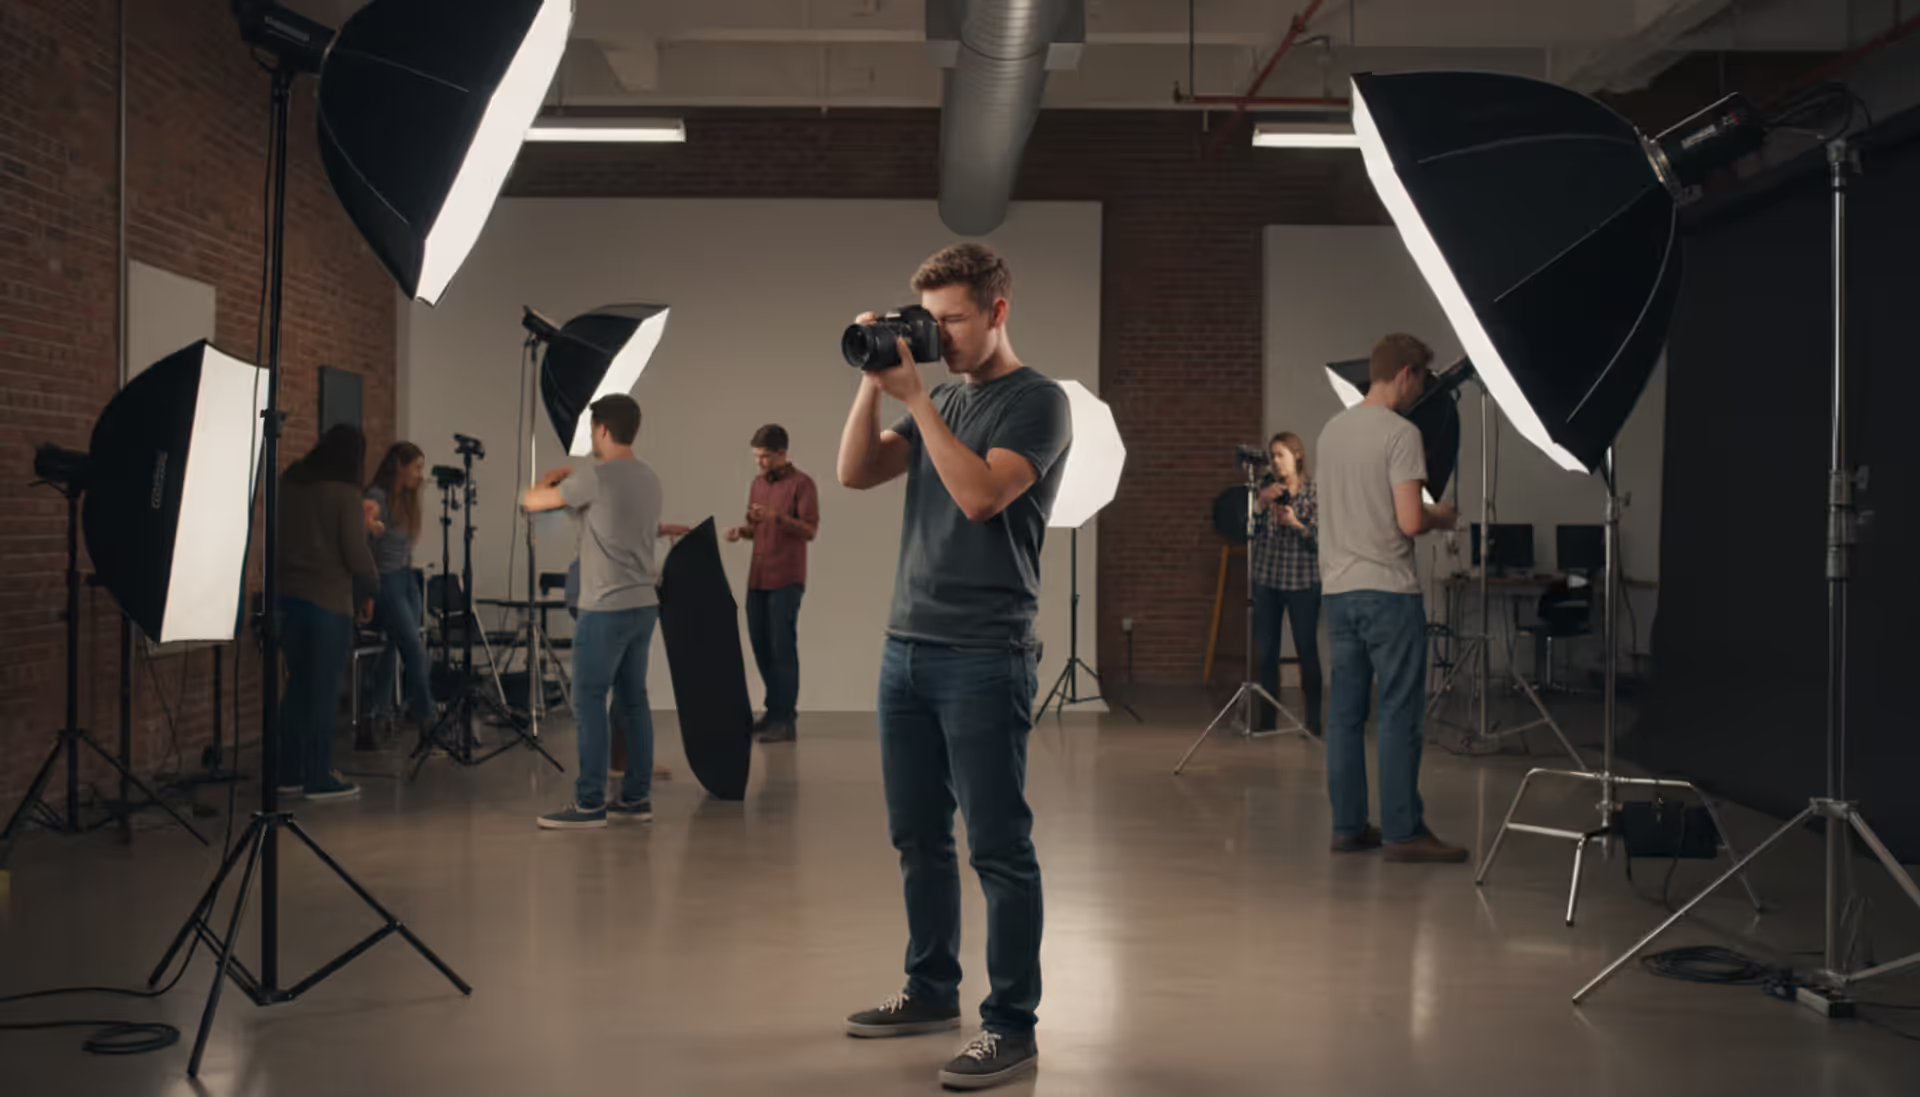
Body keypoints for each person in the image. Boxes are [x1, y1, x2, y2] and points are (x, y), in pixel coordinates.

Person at [836, 242, 1071, 1090]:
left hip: (984, 652)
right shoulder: (936, 396)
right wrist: (876, 377)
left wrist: (915, 401)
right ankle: (932, 988)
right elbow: (855, 471)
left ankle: (1011, 1026)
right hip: (906, 648)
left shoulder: (1036, 403)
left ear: (998, 312)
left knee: (999, 850)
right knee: (918, 838)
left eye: (952, 321)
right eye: (925, 322)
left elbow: (978, 497)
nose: (938, 337)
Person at [1315, 333, 1464, 863]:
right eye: (1421, 379)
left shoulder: (1331, 432)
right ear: (1406, 373)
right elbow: (1410, 520)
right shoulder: (1401, 434)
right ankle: (1404, 832)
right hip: (1388, 592)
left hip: (1338, 591)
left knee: (1345, 717)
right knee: (1400, 713)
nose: (1421, 390)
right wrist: (1443, 515)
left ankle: (1348, 827)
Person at [521, 393, 688, 829]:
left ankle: (590, 802)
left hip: (605, 607)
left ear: (602, 430)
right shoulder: (649, 478)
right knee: (633, 702)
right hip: (643, 604)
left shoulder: (593, 477)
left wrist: (551, 479)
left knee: (588, 701)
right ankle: (636, 799)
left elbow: (530, 503)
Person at [278, 423, 379, 802]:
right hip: (328, 603)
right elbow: (354, 552)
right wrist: (371, 584)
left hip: (288, 599)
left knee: (297, 689)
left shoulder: (289, 484)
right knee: (323, 692)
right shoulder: (344, 493)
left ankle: (288, 773)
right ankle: (319, 777)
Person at [724, 424, 819, 744]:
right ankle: (773, 712)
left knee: (782, 649)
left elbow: (809, 530)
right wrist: (742, 532)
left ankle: (786, 719)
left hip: (786, 578)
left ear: (782, 453)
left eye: (765, 456)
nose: (760, 462)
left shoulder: (802, 484)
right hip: (758, 578)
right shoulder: (757, 485)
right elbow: (756, 528)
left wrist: (777, 516)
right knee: (760, 645)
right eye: (756, 457)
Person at [1251, 431, 1322, 734]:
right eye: (1272, 456)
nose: (1276, 462)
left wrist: (1297, 525)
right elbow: (1245, 532)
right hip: (1267, 580)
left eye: (1281, 455)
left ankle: (1314, 721)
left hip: (1303, 582)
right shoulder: (1265, 491)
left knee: (1307, 650)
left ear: (1297, 456)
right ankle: (1266, 722)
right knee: (1266, 653)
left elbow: (1323, 541)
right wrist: (1258, 506)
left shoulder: (1314, 493)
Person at [364, 442, 436, 732]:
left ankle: (377, 708)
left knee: (396, 643)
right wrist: (367, 592)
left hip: (406, 577)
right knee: (412, 647)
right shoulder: (376, 497)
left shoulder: (406, 500)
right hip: (386, 580)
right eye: (416, 467)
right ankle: (426, 712)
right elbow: (367, 544)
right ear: (399, 466)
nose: (421, 475)